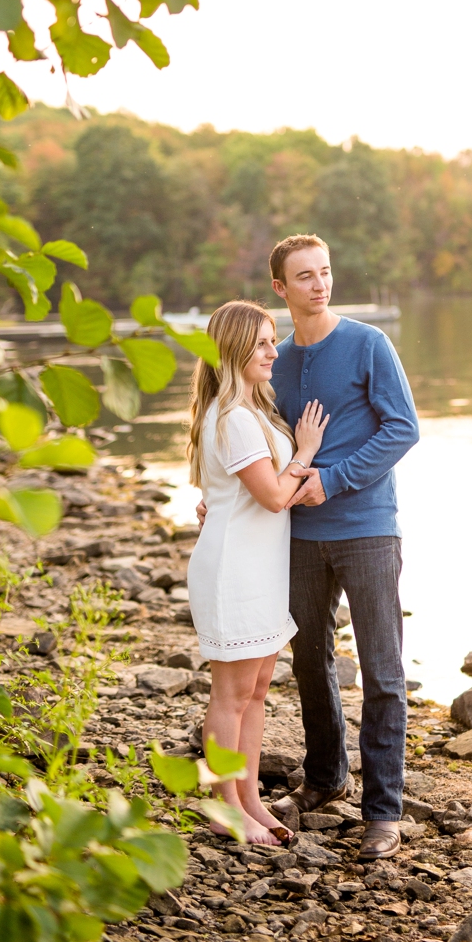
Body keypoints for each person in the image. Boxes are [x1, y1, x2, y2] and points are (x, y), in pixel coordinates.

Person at [271, 234, 422, 861]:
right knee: (309, 661)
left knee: (383, 672)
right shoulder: (273, 360)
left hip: (366, 527)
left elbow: (403, 428)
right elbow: (264, 440)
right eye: (304, 276)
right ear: (280, 289)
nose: (319, 284)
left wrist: (333, 480)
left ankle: (383, 808)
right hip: (299, 537)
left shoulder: (368, 343)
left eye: (325, 272)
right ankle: (327, 777)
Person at [186, 300, 329, 846]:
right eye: (264, 342)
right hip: (234, 569)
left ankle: (249, 799)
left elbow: (229, 492)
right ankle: (226, 807)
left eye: (274, 340)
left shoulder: (251, 412)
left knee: (258, 689)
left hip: (261, 565)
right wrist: (307, 451)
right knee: (231, 693)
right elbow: (272, 497)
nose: (274, 351)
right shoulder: (235, 417)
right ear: (235, 348)